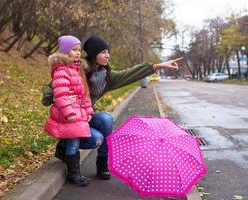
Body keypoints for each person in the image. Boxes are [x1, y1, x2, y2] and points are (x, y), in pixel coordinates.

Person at [42, 36, 181, 181]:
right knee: (97, 138)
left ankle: (102, 164)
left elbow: (130, 74)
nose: (107, 55)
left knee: (106, 119)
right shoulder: (78, 69)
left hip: (86, 115)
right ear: (94, 53)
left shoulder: (107, 76)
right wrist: (56, 97)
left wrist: (158, 66)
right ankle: (65, 145)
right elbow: (53, 86)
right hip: (70, 117)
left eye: (108, 52)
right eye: (103, 52)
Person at [43, 35, 104, 186]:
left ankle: (73, 170)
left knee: (74, 142)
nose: (78, 53)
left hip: (79, 113)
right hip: (69, 114)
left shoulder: (78, 70)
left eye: (79, 50)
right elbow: (61, 95)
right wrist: (69, 113)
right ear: (65, 52)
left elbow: (84, 94)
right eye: (74, 49)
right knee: (73, 143)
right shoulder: (61, 71)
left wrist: (89, 111)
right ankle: (74, 173)